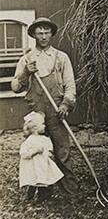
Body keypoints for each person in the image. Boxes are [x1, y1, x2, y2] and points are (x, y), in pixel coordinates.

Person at [12, 17, 79, 198]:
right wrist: (26, 72)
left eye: (46, 32)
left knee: (62, 150)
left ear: (51, 34)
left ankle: (70, 191)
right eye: (39, 33)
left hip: (57, 111)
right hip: (36, 114)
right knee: (39, 152)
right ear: (33, 34)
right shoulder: (26, 59)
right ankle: (42, 190)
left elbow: (70, 86)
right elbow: (16, 87)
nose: (43, 36)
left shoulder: (61, 57)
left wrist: (66, 104)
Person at [19, 111, 63, 205]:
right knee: (34, 180)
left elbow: (48, 148)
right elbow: (23, 153)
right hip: (33, 166)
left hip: (43, 164)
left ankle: (44, 197)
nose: (44, 126)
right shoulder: (29, 141)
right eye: (42, 124)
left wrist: (49, 153)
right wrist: (33, 152)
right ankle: (31, 196)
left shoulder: (45, 139)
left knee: (45, 179)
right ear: (35, 128)